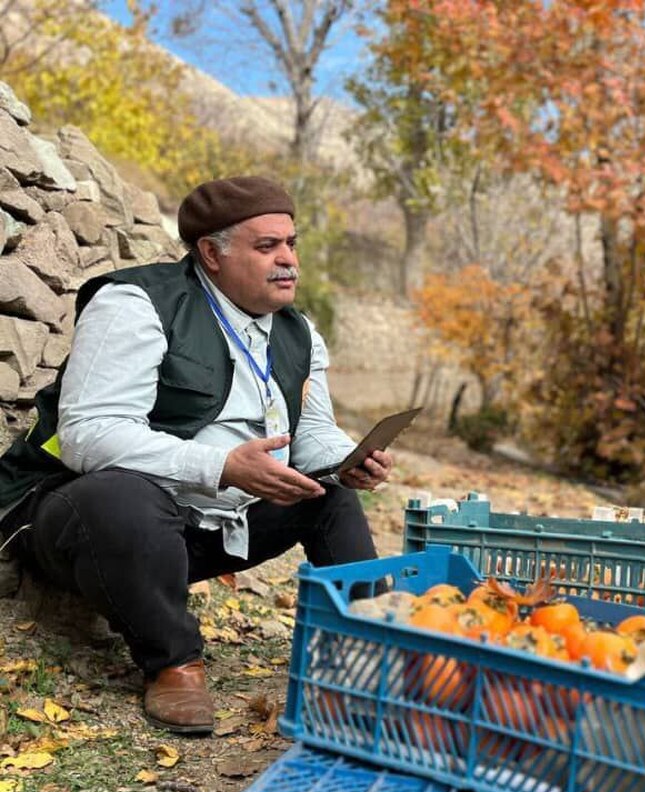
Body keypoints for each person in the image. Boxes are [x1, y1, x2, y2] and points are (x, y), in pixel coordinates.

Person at [0, 176, 391, 735]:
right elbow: (87, 433)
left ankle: (376, 650)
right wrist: (221, 467)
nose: (288, 261)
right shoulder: (135, 304)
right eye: (267, 247)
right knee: (122, 494)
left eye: (292, 244)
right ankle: (175, 665)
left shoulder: (298, 331)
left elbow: (313, 435)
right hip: (91, 525)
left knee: (329, 494)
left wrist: (347, 459)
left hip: (203, 530)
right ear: (211, 253)